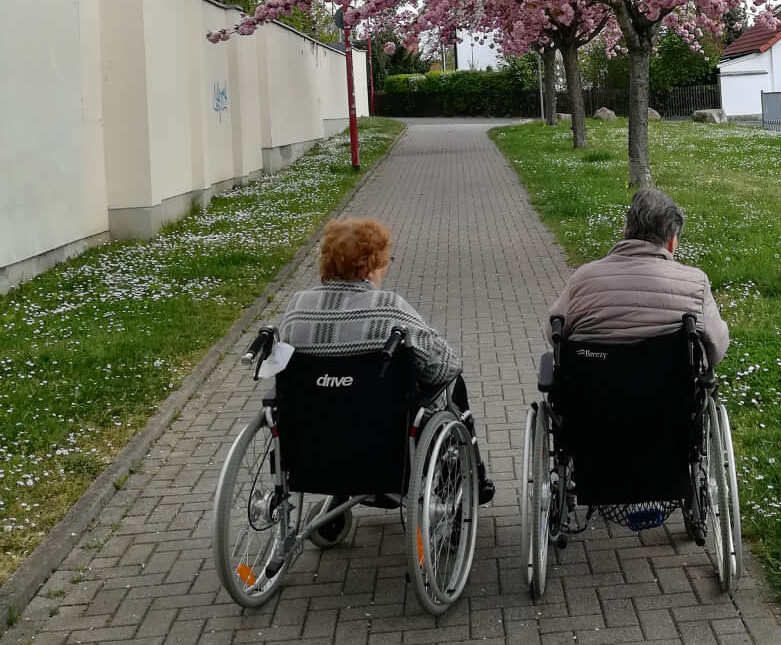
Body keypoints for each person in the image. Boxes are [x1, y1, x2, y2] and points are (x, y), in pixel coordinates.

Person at [278, 217, 494, 503]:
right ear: (371, 265)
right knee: (454, 385)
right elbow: (446, 366)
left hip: (311, 445)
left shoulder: (297, 307)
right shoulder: (390, 309)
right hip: (383, 445)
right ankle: (470, 478)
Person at [547, 189, 729, 369]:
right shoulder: (696, 284)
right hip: (669, 395)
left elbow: (553, 333)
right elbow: (716, 350)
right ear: (672, 241)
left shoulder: (582, 278)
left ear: (625, 230)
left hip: (591, 394)